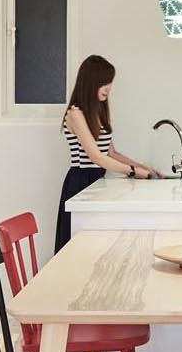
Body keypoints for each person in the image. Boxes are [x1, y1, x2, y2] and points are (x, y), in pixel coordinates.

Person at [54, 53, 159, 251]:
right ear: (91, 82)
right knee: (77, 247)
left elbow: (111, 153)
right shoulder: (75, 113)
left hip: (97, 183)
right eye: (104, 83)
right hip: (80, 182)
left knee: (96, 245)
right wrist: (132, 171)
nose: (109, 88)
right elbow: (96, 157)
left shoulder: (98, 112)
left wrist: (144, 168)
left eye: (110, 83)